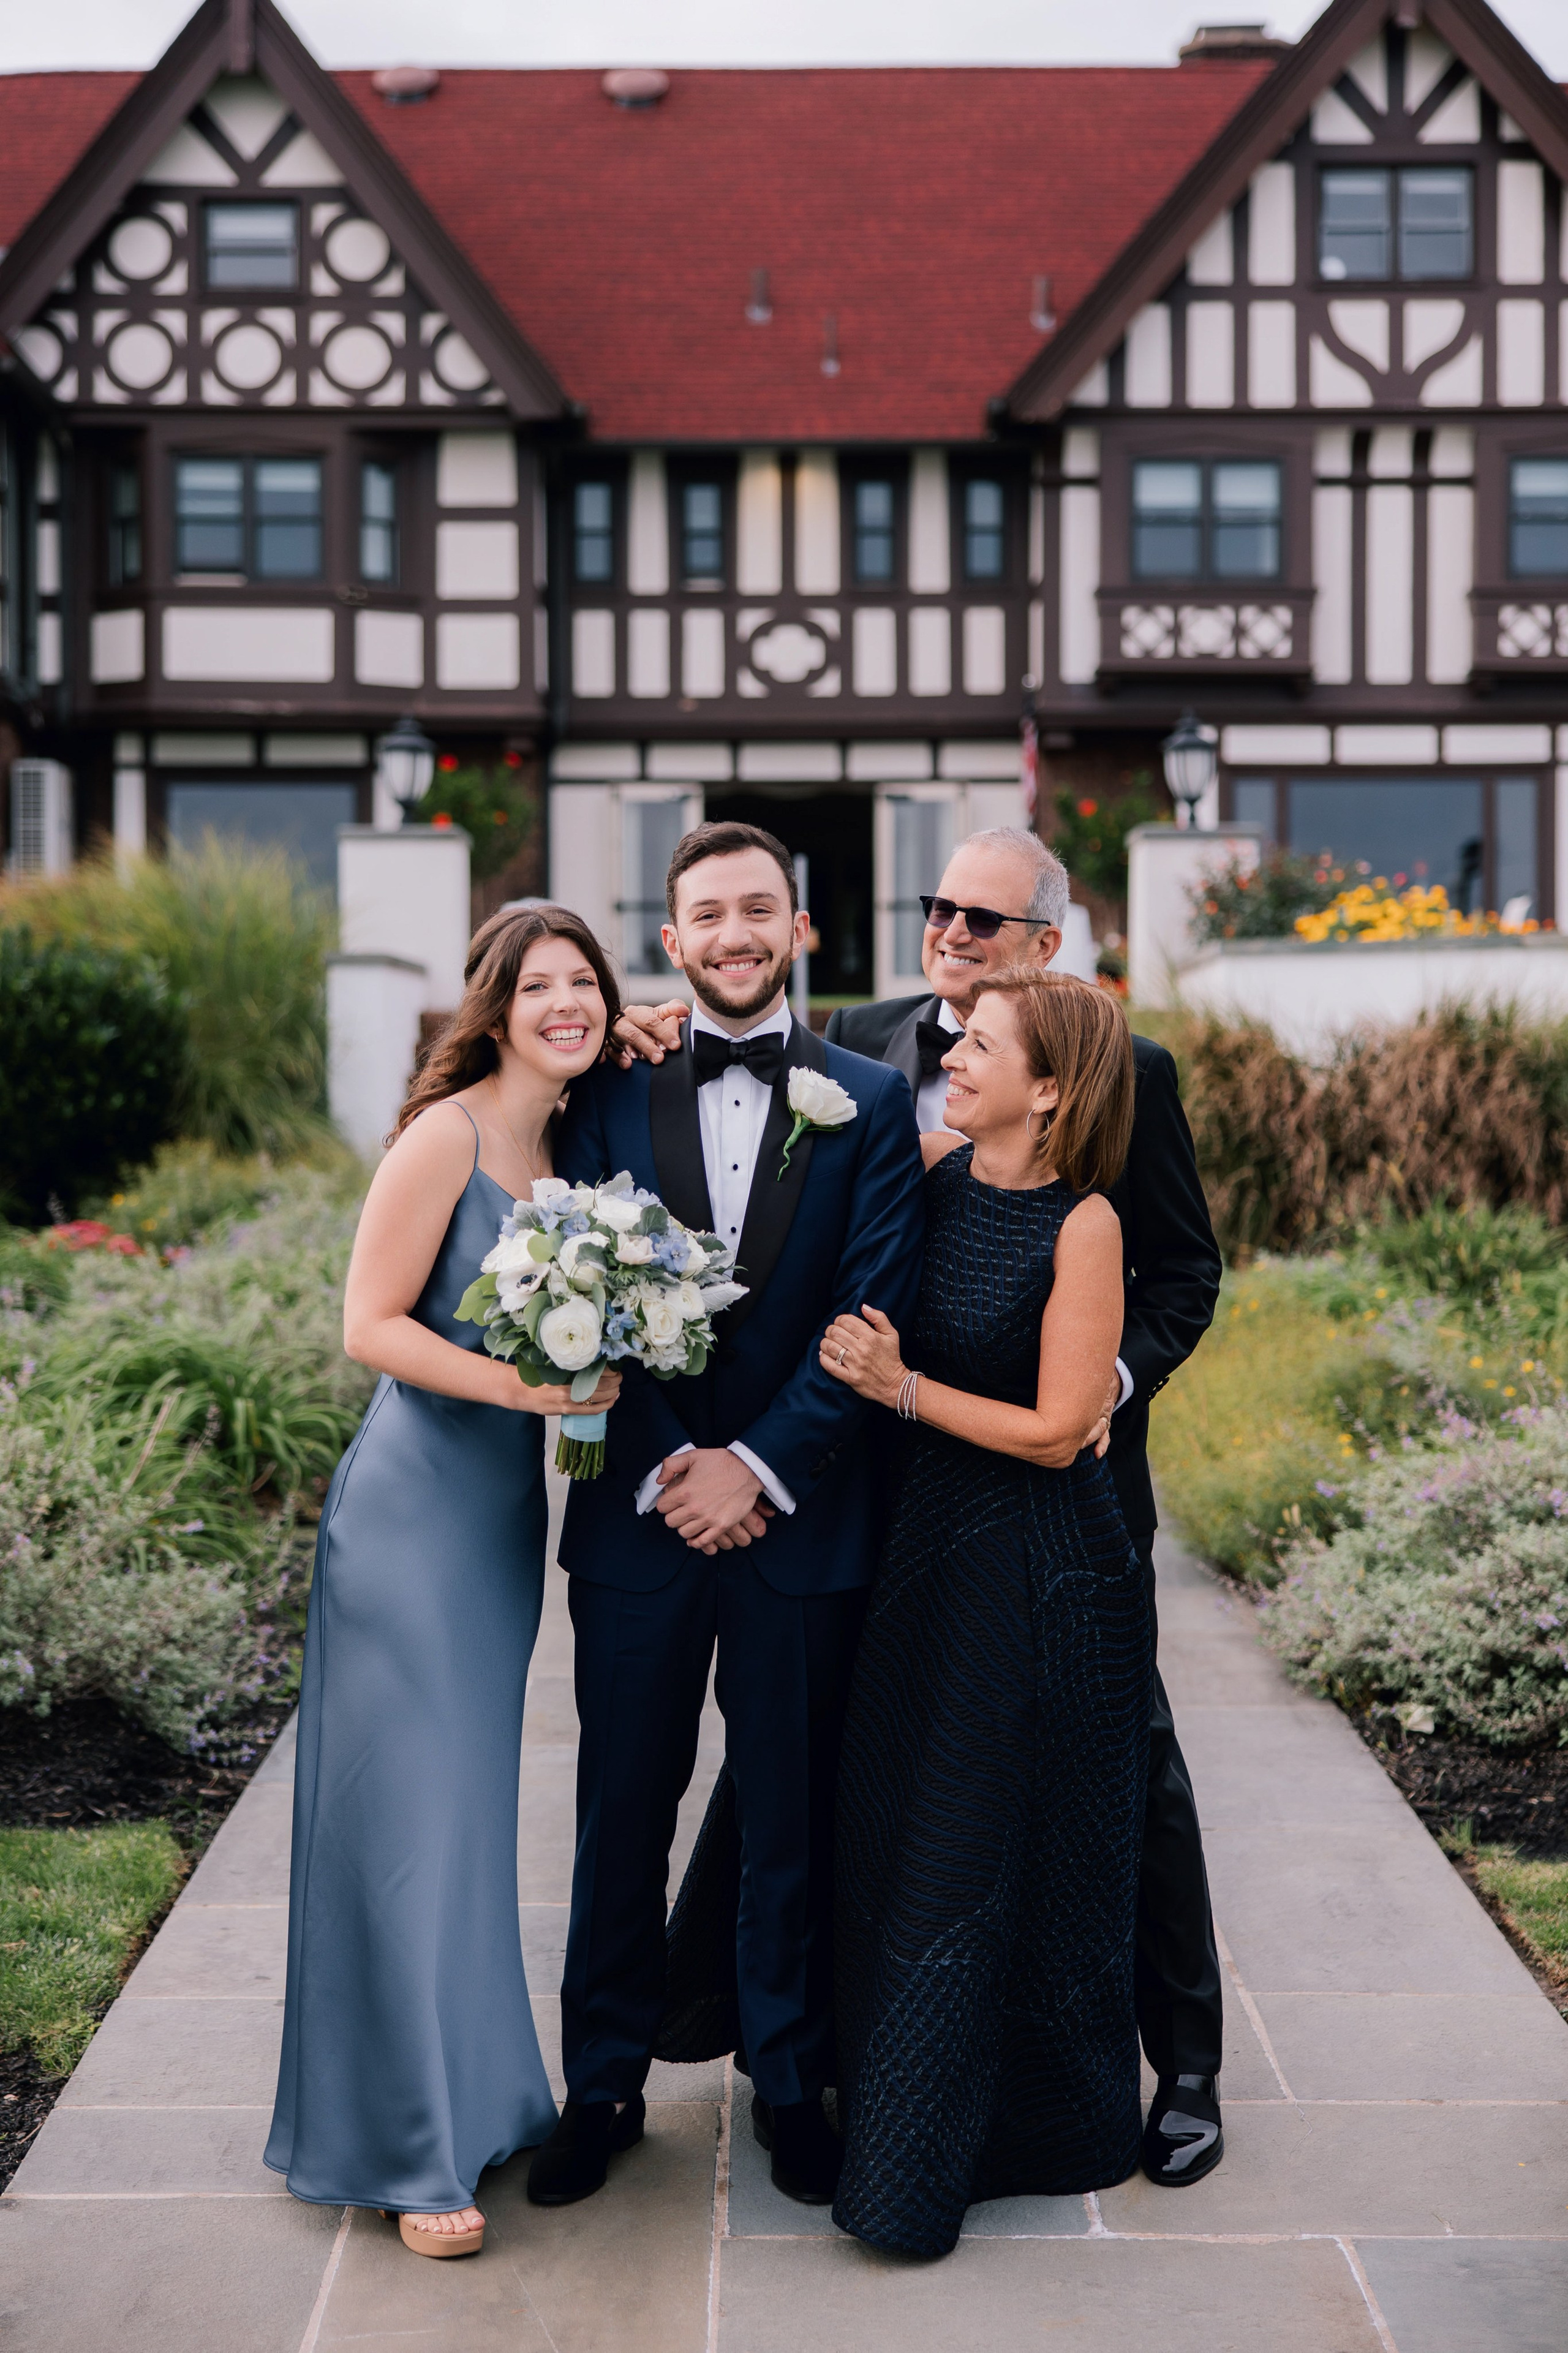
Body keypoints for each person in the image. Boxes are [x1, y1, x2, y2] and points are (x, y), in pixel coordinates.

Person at [526, 821, 925, 2212]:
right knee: (619, 1810)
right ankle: (601, 2086)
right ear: (673, 938)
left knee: (788, 1818)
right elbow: (558, 1292)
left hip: (795, 1522)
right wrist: (663, 1465)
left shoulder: (871, 1100)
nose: (736, 933)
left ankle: (788, 2077)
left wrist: (751, 1466)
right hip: (637, 1519)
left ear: (798, 929)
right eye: (709, 914)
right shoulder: (603, 1091)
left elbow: (870, 1308)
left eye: (760, 909)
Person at [823, 826, 1226, 2189]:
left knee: (1126, 1776)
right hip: (902, 1490)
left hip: (1066, 1489)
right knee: (908, 1765)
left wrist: (1099, 1373)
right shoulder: (859, 1036)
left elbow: (1179, 1274)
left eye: (981, 918)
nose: (949, 931)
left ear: (1044, 945)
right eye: (937, 906)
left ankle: (1182, 2063)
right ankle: (864, 2047)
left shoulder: (1131, 1072)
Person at [265, 905, 624, 2260]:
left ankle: (478, 2092)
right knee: (403, 1826)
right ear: (493, 1003)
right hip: (410, 1523)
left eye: (584, 984)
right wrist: (535, 1388)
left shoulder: (568, 1140)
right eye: (539, 987)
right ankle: (404, 2152)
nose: (565, 1005)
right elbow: (368, 1324)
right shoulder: (448, 1135)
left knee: (466, 1819)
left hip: (493, 1531)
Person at [821, 967, 1148, 2255]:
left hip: (1039, 1575)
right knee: (904, 1832)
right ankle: (883, 2098)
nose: (951, 1054)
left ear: (1051, 1089)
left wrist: (899, 1389)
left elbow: (1065, 1430)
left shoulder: (1086, 1226)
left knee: (994, 1849)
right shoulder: (938, 1174)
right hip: (923, 1567)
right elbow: (828, 1101)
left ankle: (986, 2145)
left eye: (983, 1046)